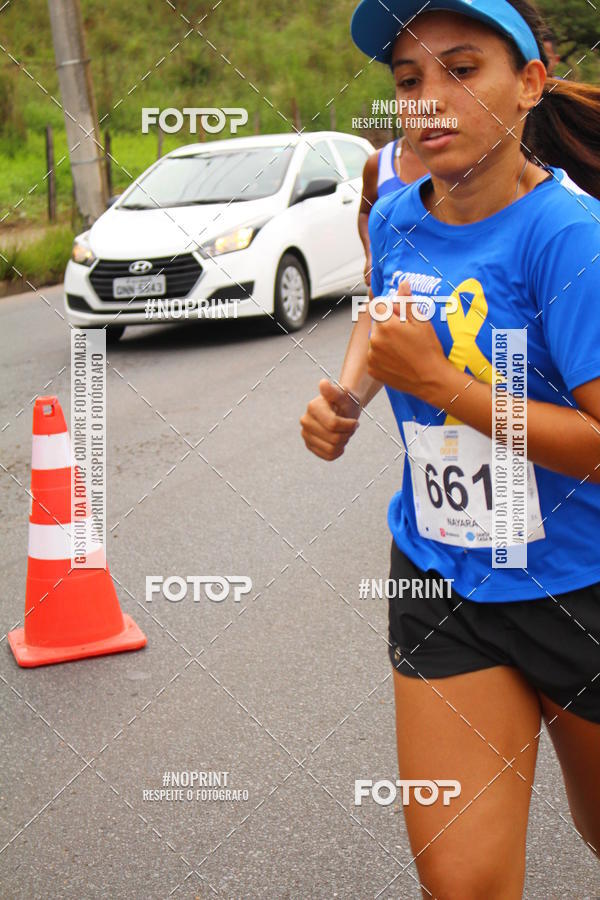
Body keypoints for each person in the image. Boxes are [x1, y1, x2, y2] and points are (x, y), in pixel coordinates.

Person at [300, 0, 600, 896]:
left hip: (579, 585)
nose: (429, 99)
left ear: (529, 86)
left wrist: (445, 389)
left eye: (462, 70)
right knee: (461, 881)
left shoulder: (569, 238)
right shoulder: (396, 216)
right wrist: (348, 395)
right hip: (441, 574)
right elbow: (385, 318)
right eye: (408, 80)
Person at [359, 134, 429, 287]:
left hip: (438, 282)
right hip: (390, 281)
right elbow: (365, 212)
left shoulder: (455, 160)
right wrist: (371, 256)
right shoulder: (378, 163)